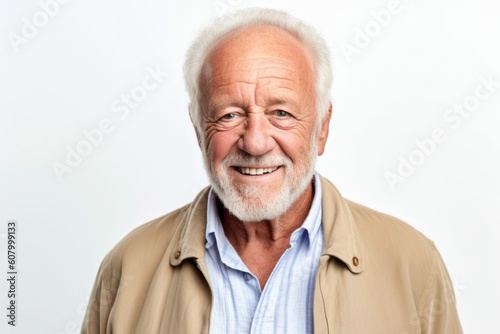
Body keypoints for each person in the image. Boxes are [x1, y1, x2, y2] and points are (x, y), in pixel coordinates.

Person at [82, 7, 462, 333]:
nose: (256, 142)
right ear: (199, 129)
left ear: (322, 128)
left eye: (281, 112)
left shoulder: (413, 262)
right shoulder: (127, 267)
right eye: (230, 114)